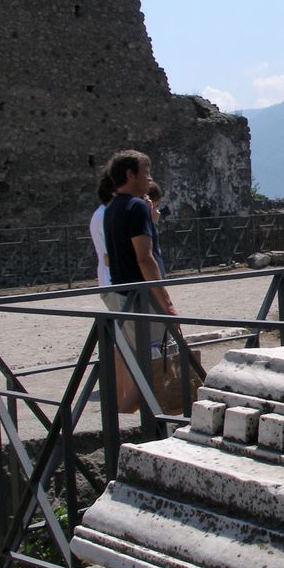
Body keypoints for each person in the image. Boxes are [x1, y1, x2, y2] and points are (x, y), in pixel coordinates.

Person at [103, 150, 177, 411]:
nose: (150, 178)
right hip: (141, 298)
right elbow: (144, 258)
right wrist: (166, 302)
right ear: (130, 174)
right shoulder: (136, 207)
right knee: (156, 367)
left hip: (122, 293)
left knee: (148, 368)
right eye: (146, 172)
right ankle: (121, 425)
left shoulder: (111, 208)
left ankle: (126, 423)